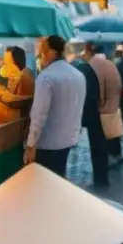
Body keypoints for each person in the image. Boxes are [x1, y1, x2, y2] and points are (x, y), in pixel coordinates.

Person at [25, 35, 86, 177]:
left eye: (43, 52)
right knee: (59, 179)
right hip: (68, 140)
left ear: (51, 53)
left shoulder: (46, 77)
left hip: (48, 145)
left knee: (46, 184)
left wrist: (30, 145)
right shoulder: (78, 75)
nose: (41, 56)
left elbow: (38, 115)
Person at [83, 42, 123, 158]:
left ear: (89, 52)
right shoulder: (111, 65)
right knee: (112, 138)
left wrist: (100, 104)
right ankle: (115, 156)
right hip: (112, 108)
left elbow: (98, 87)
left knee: (99, 144)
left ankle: (104, 167)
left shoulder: (93, 65)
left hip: (99, 111)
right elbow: (118, 86)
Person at [75, 51, 110, 186]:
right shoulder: (91, 70)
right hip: (93, 109)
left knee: (97, 143)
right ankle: (102, 177)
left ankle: (101, 177)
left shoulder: (82, 71)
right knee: (98, 144)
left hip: (85, 109)